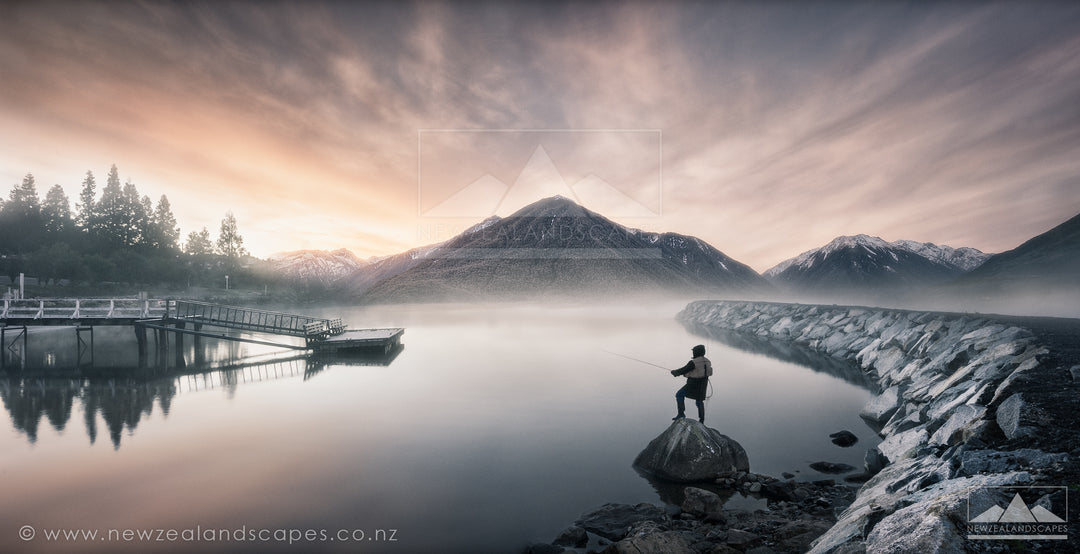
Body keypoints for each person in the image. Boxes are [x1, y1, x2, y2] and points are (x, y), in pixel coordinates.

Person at [671, 344, 712, 423]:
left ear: (696, 352)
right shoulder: (708, 361)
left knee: (679, 394)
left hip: (693, 384)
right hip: (703, 384)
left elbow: (684, 370)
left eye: (694, 351)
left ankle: (681, 414)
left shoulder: (693, 362)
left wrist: (675, 372)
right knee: (699, 401)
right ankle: (702, 420)